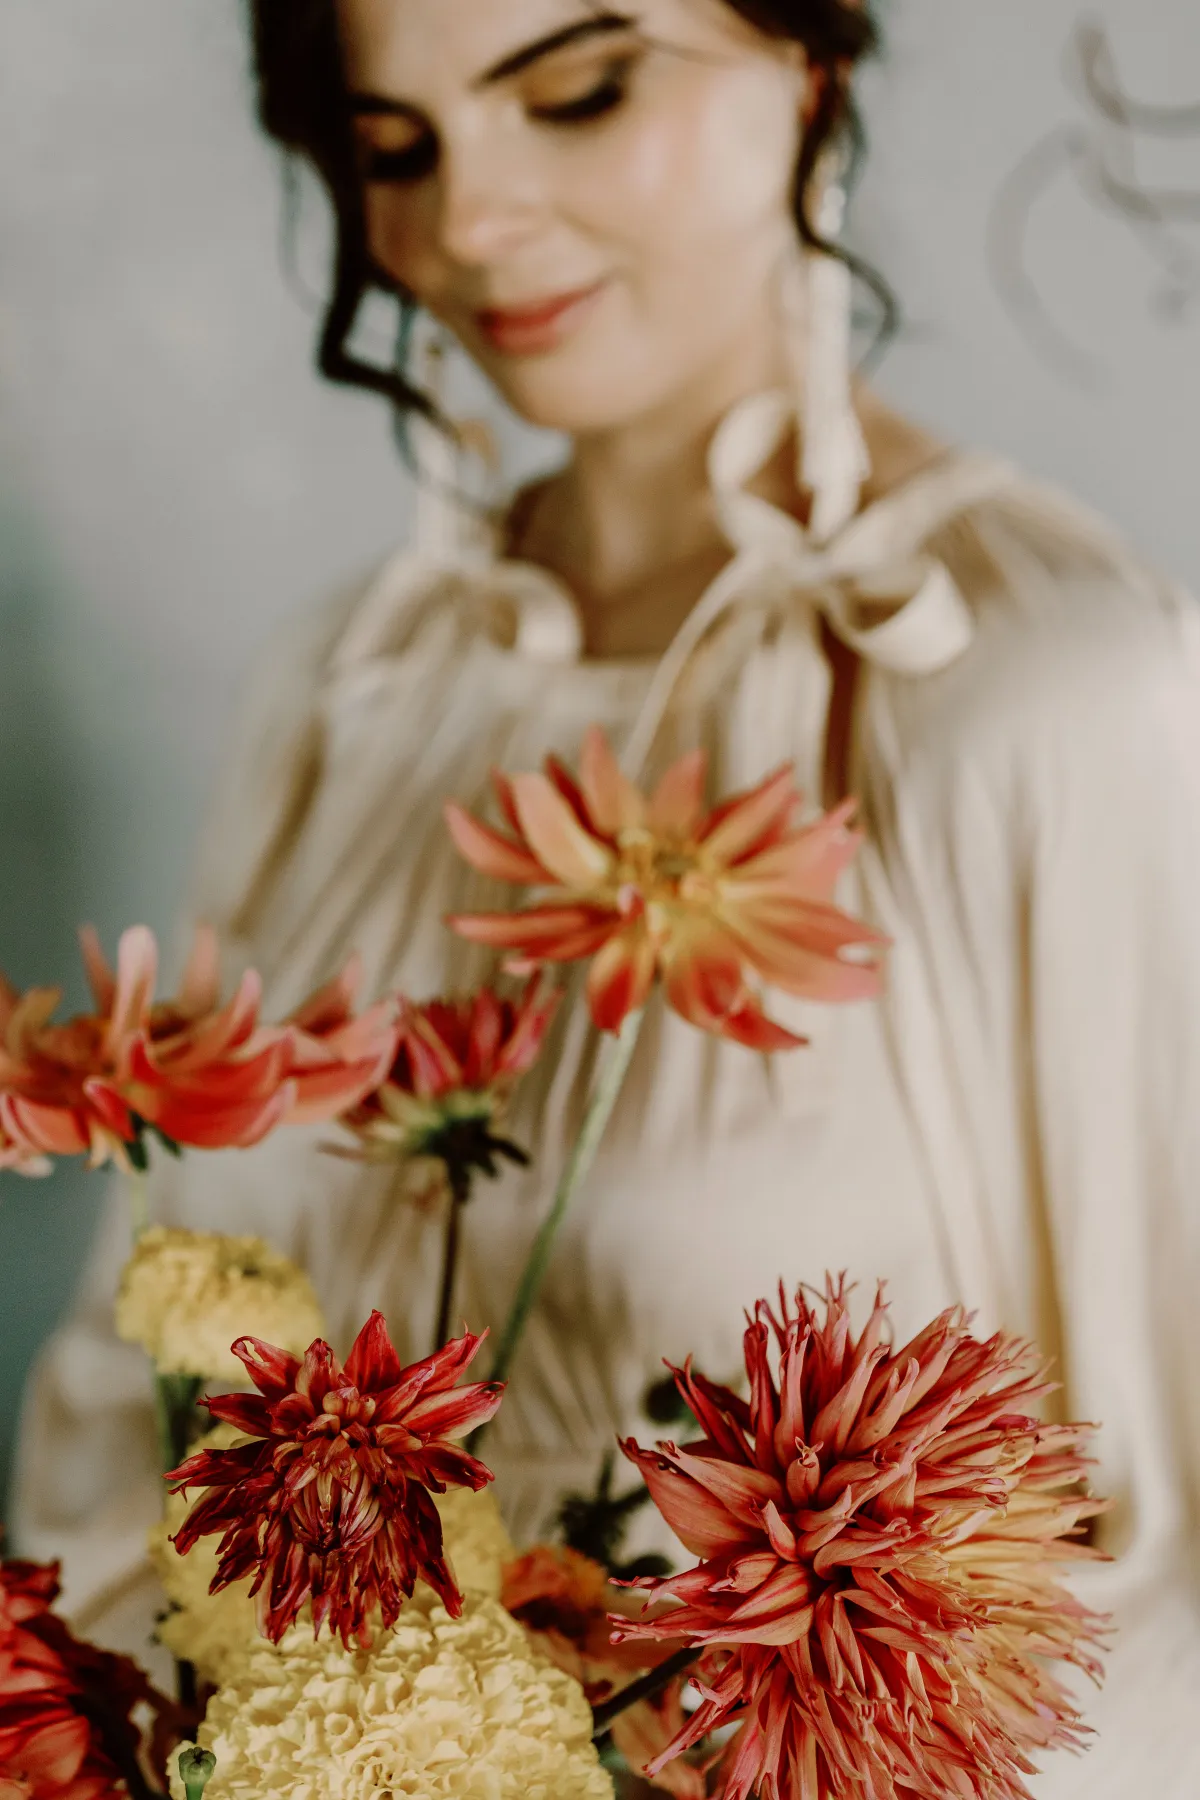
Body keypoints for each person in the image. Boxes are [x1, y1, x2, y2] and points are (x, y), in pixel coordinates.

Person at [14, 3, 1200, 1794]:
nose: (465, 223)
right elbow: (116, 1424)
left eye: (577, 92)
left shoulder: (1039, 692)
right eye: (392, 146)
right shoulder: (345, 689)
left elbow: (1167, 1595)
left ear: (807, 60)